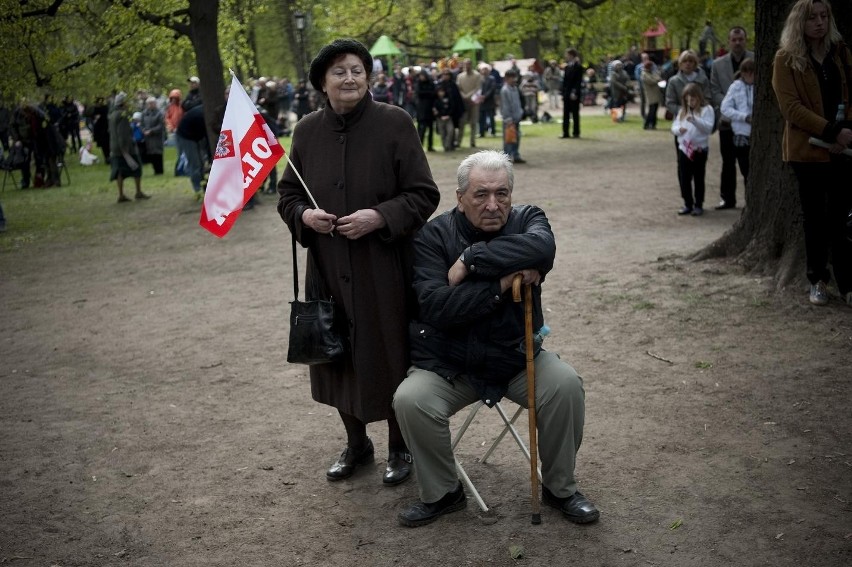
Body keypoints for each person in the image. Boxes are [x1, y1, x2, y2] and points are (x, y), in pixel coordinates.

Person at [393, 150, 599, 527]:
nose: (493, 205)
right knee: (411, 399)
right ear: (459, 197)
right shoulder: (432, 237)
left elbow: (543, 249)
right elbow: (438, 307)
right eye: (481, 194)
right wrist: (503, 281)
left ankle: (560, 489)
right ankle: (443, 493)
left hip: (516, 358)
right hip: (449, 364)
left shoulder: (529, 219)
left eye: (502, 194)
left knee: (566, 385)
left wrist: (472, 258)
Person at [278, 39, 441, 487]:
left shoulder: (394, 123)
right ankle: (356, 444)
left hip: (385, 269)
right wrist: (305, 216)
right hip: (329, 270)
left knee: (390, 354)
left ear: (368, 76)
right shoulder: (307, 131)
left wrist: (380, 216)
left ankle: (399, 446)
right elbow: (289, 195)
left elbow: (424, 194)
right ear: (322, 84)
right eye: (339, 72)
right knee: (337, 358)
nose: (349, 78)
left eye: (356, 70)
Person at [772, 0, 852, 307]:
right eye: (812, 18)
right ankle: (817, 280)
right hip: (807, 152)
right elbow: (791, 109)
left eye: (823, 16)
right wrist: (831, 131)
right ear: (799, 23)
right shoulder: (785, 59)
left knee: (842, 219)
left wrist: (845, 133)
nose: (819, 22)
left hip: (843, 149)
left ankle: (848, 283)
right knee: (815, 219)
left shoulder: (841, 53)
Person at [710, 27, 754, 210]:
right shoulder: (718, 64)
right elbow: (714, 90)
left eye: (740, 39)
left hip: (750, 126)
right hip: (727, 122)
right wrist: (731, 105)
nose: (737, 42)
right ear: (729, 41)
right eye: (734, 39)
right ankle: (727, 198)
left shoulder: (755, 59)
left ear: (745, 40)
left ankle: (751, 199)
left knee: (749, 163)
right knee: (728, 161)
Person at [671, 83, 714, 216]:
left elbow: (708, 128)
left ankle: (699, 204)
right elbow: (674, 127)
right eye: (687, 100)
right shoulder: (682, 111)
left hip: (699, 149)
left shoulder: (707, 110)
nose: (690, 102)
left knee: (699, 177)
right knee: (684, 177)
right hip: (684, 148)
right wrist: (679, 129)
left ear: (699, 98)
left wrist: (695, 120)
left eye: (693, 99)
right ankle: (687, 203)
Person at [720, 58, 755, 193]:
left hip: (757, 134)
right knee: (745, 169)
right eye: (747, 72)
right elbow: (725, 108)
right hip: (741, 133)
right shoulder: (736, 87)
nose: (750, 76)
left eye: (753, 72)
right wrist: (743, 117)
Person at [108, 92, 149, 203]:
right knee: (136, 168)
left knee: (119, 171)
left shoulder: (112, 115)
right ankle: (138, 191)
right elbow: (123, 133)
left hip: (115, 147)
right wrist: (125, 149)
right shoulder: (123, 115)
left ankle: (121, 194)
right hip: (126, 148)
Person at [175, 103, 207, 200]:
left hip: (194, 135)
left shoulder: (203, 111)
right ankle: (198, 191)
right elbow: (202, 134)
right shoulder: (201, 115)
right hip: (186, 137)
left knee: (201, 163)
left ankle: (204, 186)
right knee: (195, 164)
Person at [500, 69, 525, 164]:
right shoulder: (505, 90)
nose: (514, 79)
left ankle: (516, 155)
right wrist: (508, 118)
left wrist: (520, 113)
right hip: (509, 119)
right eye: (512, 78)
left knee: (516, 137)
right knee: (508, 139)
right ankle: (506, 157)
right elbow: (505, 106)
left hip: (516, 117)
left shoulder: (515, 88)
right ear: (507, 78)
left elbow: (517, 103)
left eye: (515, 77)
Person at [456, 58, 483, 148]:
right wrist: (464, 96)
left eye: (468, 64)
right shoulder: (460, 76)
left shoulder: (477, 75)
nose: (467, 66)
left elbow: (477, 88)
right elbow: (459, 88)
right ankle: (458, 141)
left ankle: (472, 141)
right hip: (463, 104)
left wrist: (468, 96)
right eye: (465, 64)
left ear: (471, 65)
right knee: (461, 123)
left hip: (473, 102)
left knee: (473, 122)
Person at [561, 48, 583, 138]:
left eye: (568, 55)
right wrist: (564, 92)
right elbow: (565, 81)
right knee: (566, 114)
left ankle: (576, 132)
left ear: (572, 55)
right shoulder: (567, 67)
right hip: (567, 93)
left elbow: (578, 81)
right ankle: (565, 132)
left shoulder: (578, 67)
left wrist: (574, 92)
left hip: (574, 93)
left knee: (575, 114)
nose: (566, 56)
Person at [141, 96, 165, 175]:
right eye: (149, 104)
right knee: (151, 154)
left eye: (152, 103)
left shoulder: (159, 113)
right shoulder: (144, 113)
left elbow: (161, 125)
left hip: (156, 137)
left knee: (158, 154)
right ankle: (155, 170)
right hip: (148, 138)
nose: (150, 105)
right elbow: (142, 124)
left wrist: (152, 131)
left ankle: (160, 170)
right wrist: (144, 130)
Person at [414, 69, 436, 151]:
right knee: (421, 129)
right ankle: (420, 146)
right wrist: (428, 93)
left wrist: (426, 93)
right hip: (421, 110)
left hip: (429, 109)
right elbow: (419, 93)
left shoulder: (430, 83)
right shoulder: (418, 84)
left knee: (430, 129)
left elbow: (433, 93)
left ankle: (430, 146)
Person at [641, 59, 663, 130]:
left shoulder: (652, 73)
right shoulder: (644, 74)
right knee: (651, 111)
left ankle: (653, 124)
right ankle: (646, 124)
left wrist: (657, 79)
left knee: (655, 110)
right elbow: (651, 81)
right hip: (650, 95)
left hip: (656, 94)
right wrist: (657, 80)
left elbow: (659, 78)